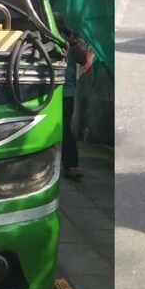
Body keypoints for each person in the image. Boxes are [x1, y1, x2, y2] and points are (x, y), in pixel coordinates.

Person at [56, 14, 89, 181]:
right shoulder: (42, 37)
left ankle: (70, 165)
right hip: (47, 91)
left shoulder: (70, 40)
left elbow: (83, 59)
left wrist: (73, 42)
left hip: (65, 92)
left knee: (65, 129)